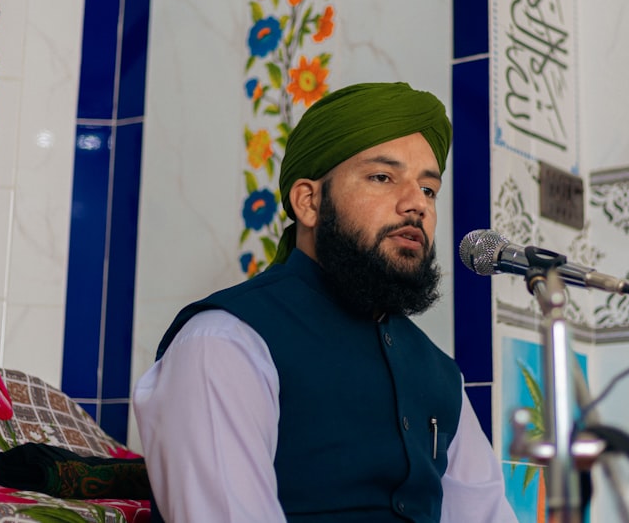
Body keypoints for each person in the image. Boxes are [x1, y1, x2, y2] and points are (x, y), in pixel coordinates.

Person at [133, 82, 518, 522]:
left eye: (429, 189)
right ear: (309, 202)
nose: (417, 205)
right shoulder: (223, 342)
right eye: (382, 177)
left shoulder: (440, 373)